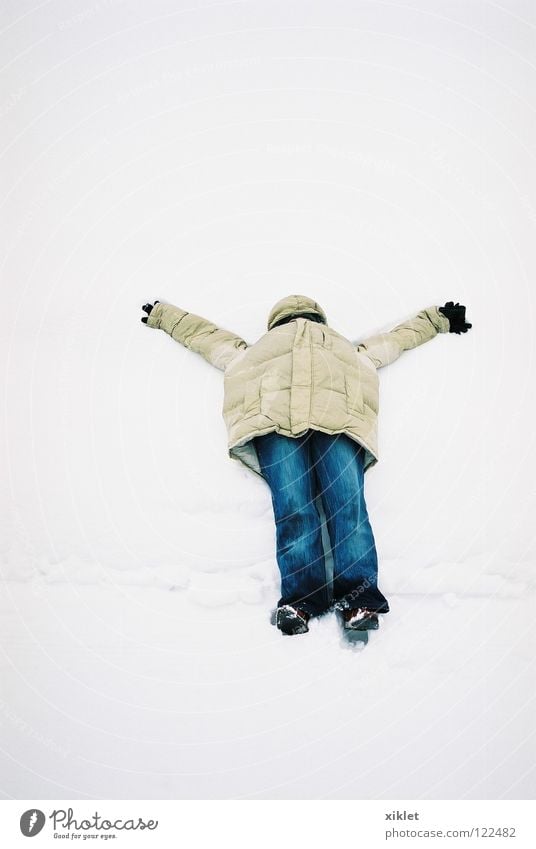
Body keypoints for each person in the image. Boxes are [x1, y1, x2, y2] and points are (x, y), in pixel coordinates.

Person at [141, 295, 472, 636]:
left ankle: (336, 599)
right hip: (321, 425)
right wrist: (437, 318)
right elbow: (394, 339)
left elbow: (208, 336)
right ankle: (315, 599)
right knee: (340, 508)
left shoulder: (301, 348)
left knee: (301, 508)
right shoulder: (311, 349)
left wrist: (164, 315)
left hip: (305, 426)